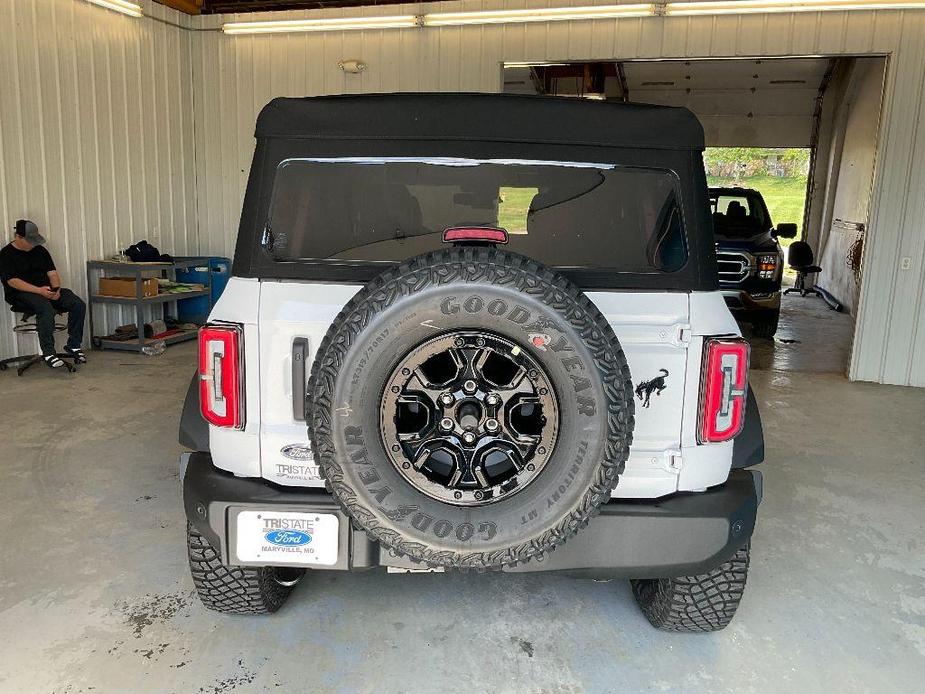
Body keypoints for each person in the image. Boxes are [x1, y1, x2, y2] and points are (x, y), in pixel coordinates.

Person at [0, 219, 87, 368]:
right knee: (46, 309)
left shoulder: (40, 250)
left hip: (46, 290)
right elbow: (12, 281)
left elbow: (52, 273)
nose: (33, 244)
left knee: (77, 303)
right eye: (29, 241)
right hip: (21, 294)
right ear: (18, 237)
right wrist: (39, 291)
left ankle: (73, 345)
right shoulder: (6, 254)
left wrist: (56, 290)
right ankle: (49, 352)